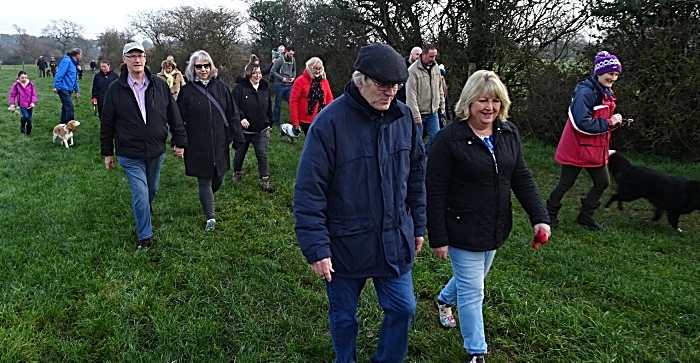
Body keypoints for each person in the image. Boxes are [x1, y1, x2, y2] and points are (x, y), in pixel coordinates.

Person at [294, 43, 426, 363]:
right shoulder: (330, 123)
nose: (390, 93)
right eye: (383, 85)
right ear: (360, 79)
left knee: (404, 307)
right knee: (344, 318)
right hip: (343, 244)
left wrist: (418, 225)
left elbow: (417, 177)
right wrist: (317, 247)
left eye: (396, 86)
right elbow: (309, 191)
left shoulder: (404, 118)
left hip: (392, 239)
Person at [427, 70, 551, 363]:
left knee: (474, 279)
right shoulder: (448, 140)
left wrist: (539, 216)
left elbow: (521, 176)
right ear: (469, 102)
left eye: (495, 101)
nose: (489, 107)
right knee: (474, 292)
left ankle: (443, 301)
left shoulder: (508, 133)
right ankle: (477, 353)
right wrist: (438, 236)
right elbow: (434, 191)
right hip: (460, 228)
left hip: (495, 227)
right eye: (482, 100)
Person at [100, 42, 188, 251]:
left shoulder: (158, 85)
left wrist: (180, 142)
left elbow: (174, 115)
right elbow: (107, 123)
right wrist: (107, 153)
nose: (136, 59)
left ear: (145, 58)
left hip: (156, 150)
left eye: (140, 55)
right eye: (131, 56)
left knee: (152, 190)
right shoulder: (115, 90)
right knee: (140, 193)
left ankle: (143, 213)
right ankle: (144, 237)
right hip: (130, 153)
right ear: (124, 60)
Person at [546, 51, 628, 230]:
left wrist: (614, 122)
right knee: (565, 184)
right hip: (576, 147)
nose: (613, 78)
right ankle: (548, 215)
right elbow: (581, 123)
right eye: (610, 73)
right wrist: (609, 122)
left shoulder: (605, 91)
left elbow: (598, 120)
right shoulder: (585, 92)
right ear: (599, 72)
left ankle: (585, 216)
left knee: (603, 182)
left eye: (616, 74)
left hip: (595, 148)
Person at [177, 50, 243, 231]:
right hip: (197, 144)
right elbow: (178, 119)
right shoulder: (187, 91)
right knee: (204, 180)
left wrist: (237, 136)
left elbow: (232, 112)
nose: (203, 70)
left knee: (219, 178)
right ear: (193, 69)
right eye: (199, 66)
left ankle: (206, 197)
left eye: (206, 65)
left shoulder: (220, 87)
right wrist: (179, 142)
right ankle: (210, 218)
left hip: (220, 141)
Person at [231, 61, 275, 192]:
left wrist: (270, 122)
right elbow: (232, 105)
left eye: (260, 73)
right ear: (249, 73)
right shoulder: (240, 88)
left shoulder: (264, 88)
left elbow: (268, 106)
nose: (257, 75)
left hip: (261, 129)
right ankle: (237, 172)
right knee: (240, 153)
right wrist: (241, 118)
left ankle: (264, 180)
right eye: (254, 73)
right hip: (244, 130)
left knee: (262, 154)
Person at [406, 44, 445, 155]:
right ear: (423, 55)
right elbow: (411, 95)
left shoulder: (436, 68)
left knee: (437, 138)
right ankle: (415, 160)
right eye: (431, 56)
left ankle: (423, 154)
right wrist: (416, 115)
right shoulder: (412, 71)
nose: (433, 59)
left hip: (433, 112)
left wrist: (442, 105)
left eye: (435, 56)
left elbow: (439, 87)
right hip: (419, 112)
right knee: (416, 141)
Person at [289, 57, 334, 135]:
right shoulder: (300, 81)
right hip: (304, 121)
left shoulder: (324, 82)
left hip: (321, 118)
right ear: (309, 68)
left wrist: (331, 117)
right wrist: (295, 122)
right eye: (315, 68)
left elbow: (330, 100)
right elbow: (293, 102)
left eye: (320, 68)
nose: (318, 71)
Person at [53, 48, 81, 124]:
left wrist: (77, 90)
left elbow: (74, 78)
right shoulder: (66, 61)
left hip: (69, 89)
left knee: (65, 108)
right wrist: (57, 87)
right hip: (62, 88)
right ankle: (70, 126)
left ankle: (63, 125)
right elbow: (59, 74)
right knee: (70, 107)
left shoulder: (74, 63)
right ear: (77, 55)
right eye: (80, 55)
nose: (81, 56)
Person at [270, 46, 296, 126]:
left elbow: (294, 69)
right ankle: (276, 122)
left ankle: (294, 122)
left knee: (292, 104)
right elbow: (272, 71)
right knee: (278, 104)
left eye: (292, 54)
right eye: (290, 54)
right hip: (280, 85)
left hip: (289, 85)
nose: (291, 56)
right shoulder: (280, 60)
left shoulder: (293, 60)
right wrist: (281, 78)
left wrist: (293, 77)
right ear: (286, 51)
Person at [8, 71, 37, 135]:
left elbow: (34, 94)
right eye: (22, 78)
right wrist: (12, 104)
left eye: (25, 77)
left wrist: (33, 102)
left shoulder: (31, 84)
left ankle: (28, 130)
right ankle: (22, 124)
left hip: (30, 104)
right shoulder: (16, 85)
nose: (24, 79)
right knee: (26, 117)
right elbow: (12, 94)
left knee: (29, 118)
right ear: (19, 78)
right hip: (22, 104)